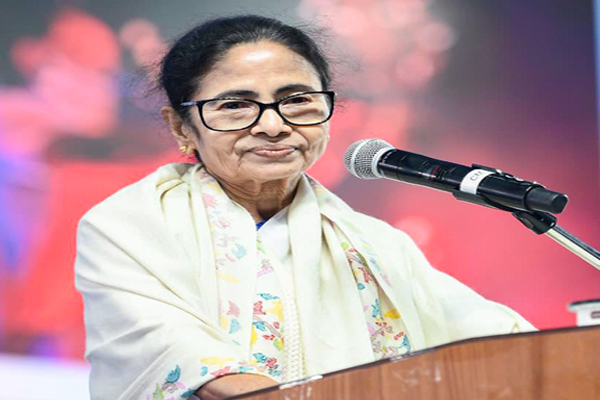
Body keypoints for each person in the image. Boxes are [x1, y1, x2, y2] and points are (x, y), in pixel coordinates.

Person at [74, 15, 534, 400]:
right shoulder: (129, 226)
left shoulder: (375, 243)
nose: (273, 126)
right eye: (235, 105)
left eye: (297, 101)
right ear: (181, 127)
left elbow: (497, 341)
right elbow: (182, 357)